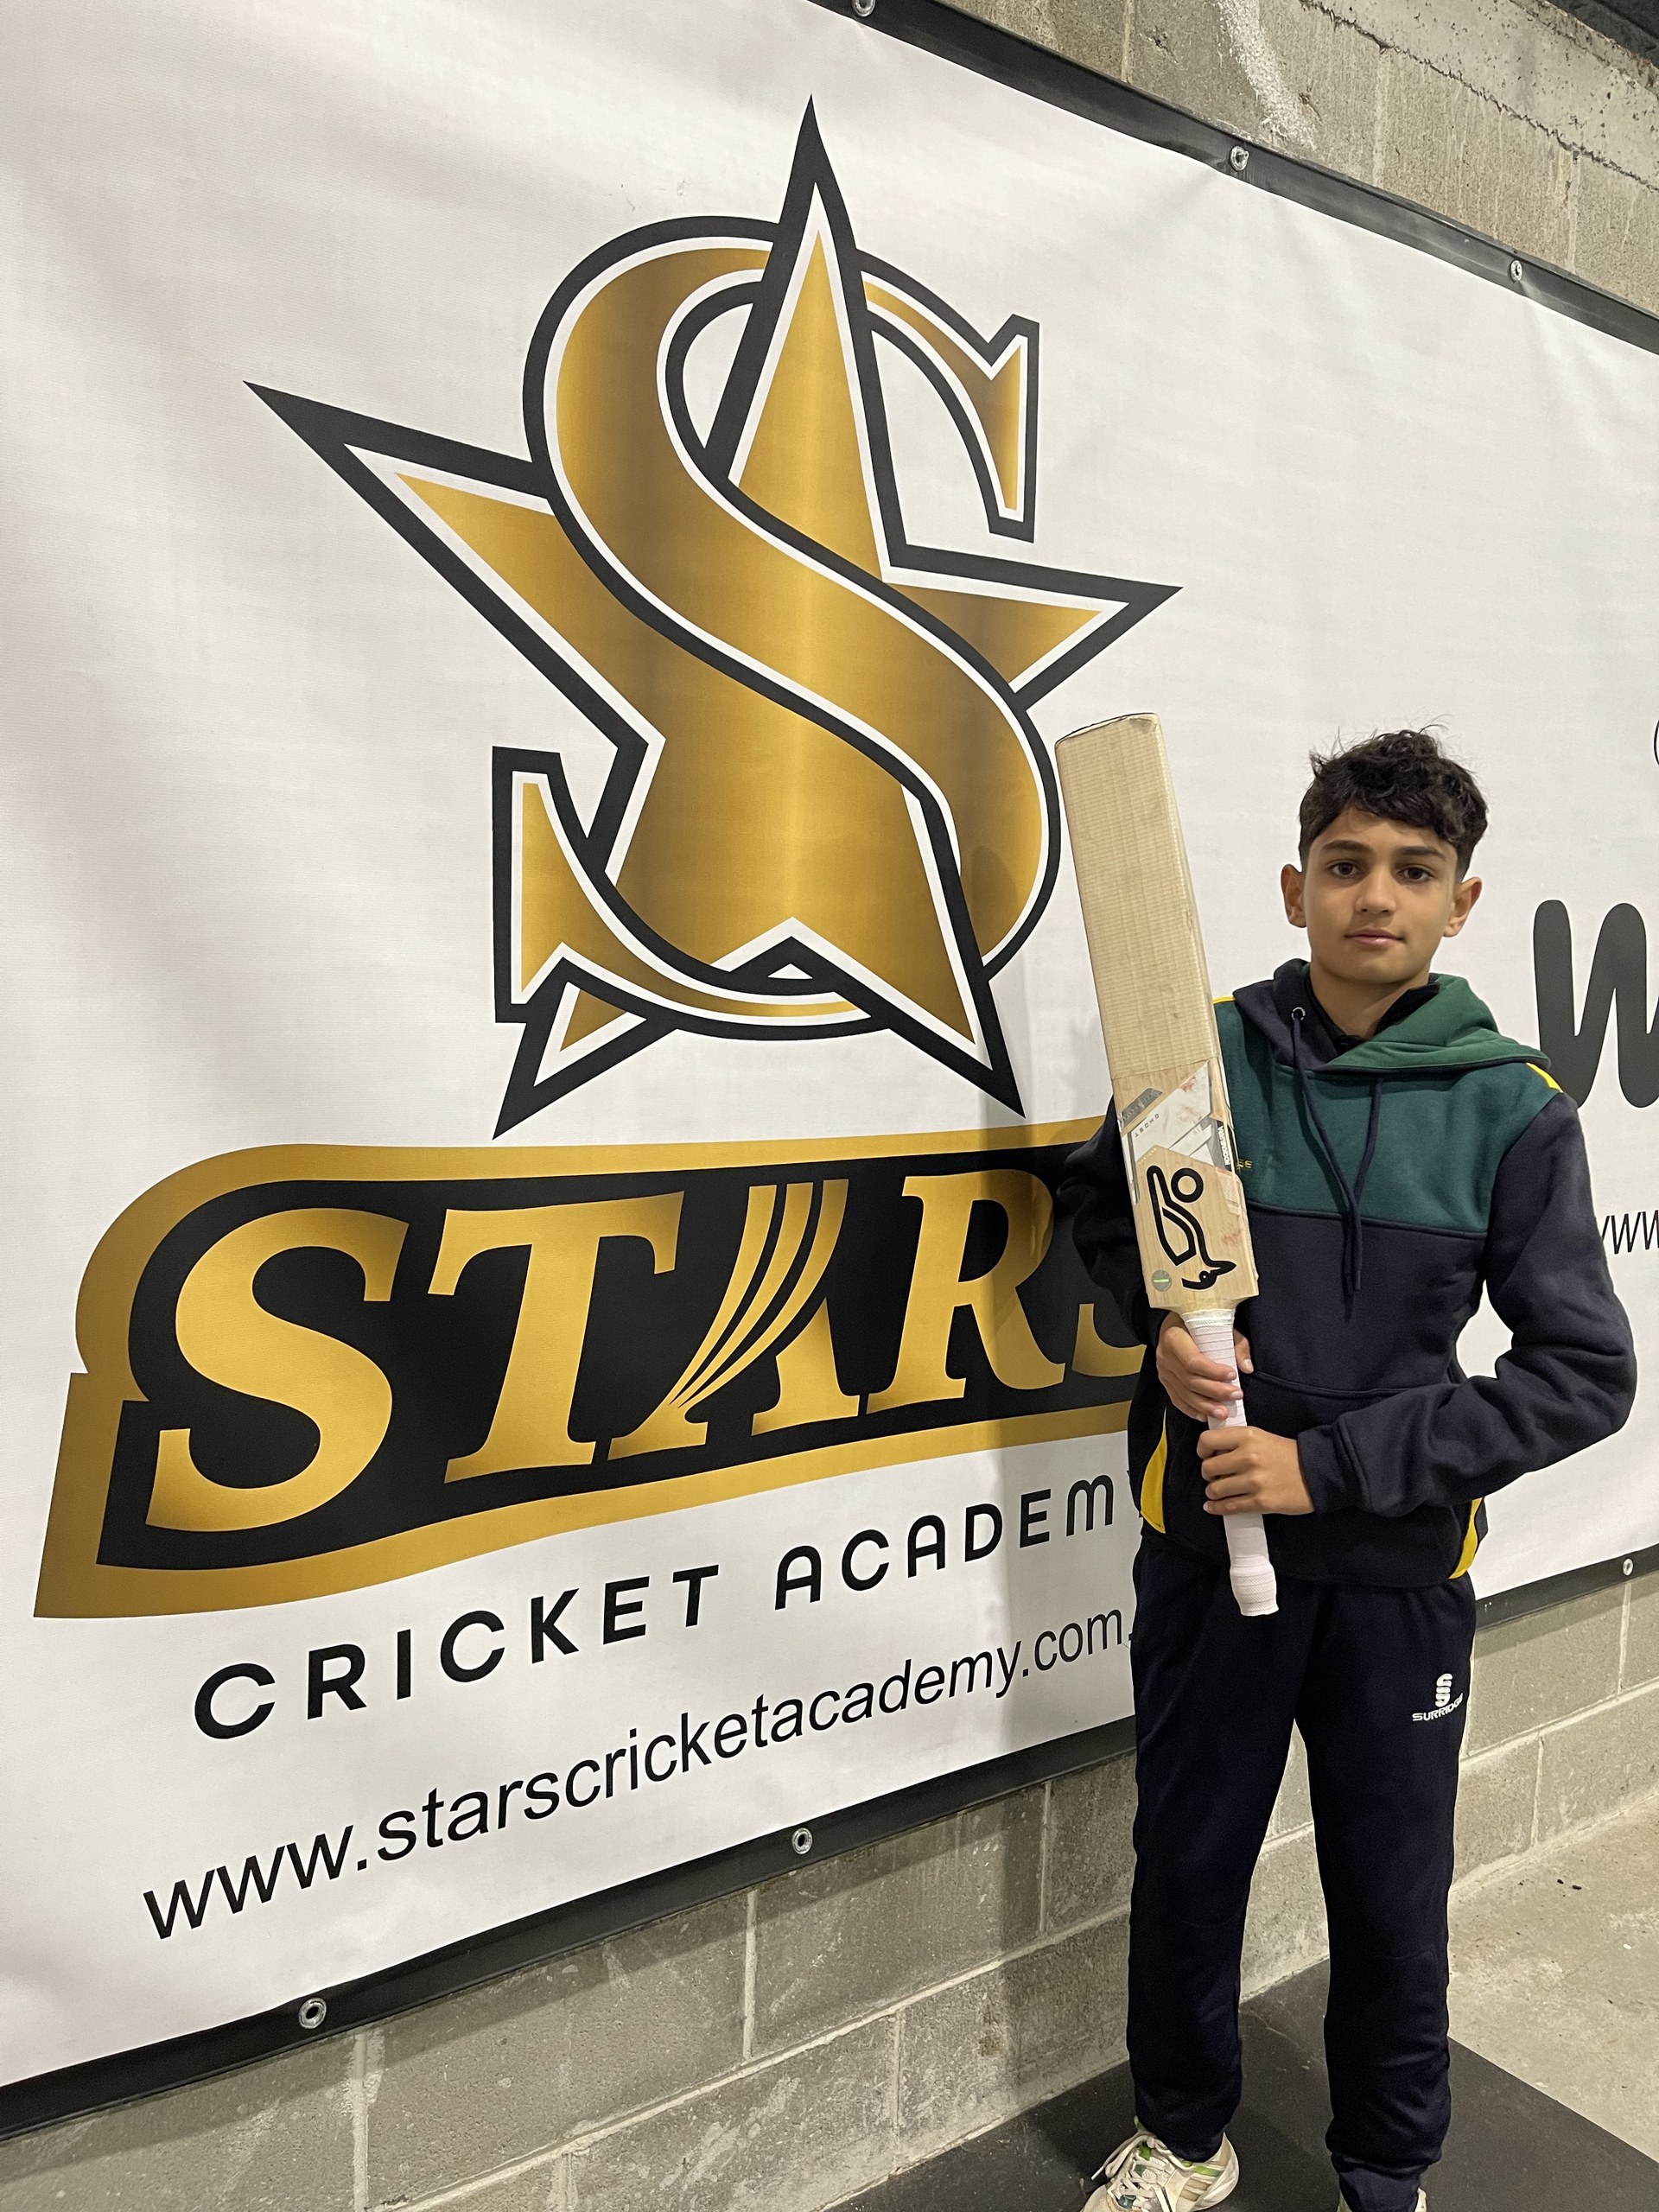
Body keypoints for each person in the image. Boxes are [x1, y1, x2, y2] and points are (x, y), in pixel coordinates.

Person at [1059, 729, 1635, 2212]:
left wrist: (1331, 1470)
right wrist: (1164, 1330)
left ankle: (1387, 2167)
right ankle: (1184, 2139)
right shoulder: (1202, 1057)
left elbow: (1584, 1375)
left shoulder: (1513, 1106)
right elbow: (1108, 1210)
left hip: (1391, 1574)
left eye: (1413, 871)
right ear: (1295, 887)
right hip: (1209, 1555)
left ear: (1463, 902)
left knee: (1390, 1892)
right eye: (1345, 864)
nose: (1375, 894)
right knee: (1190, 1865)